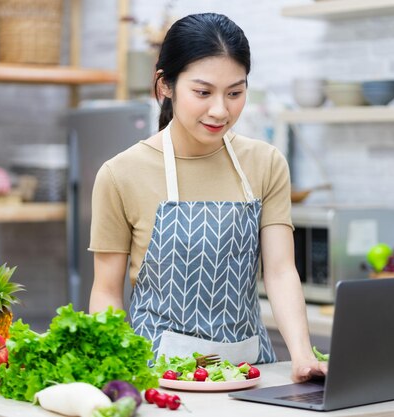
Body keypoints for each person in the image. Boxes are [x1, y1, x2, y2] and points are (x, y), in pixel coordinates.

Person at [89, 12, 326, 383]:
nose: (221, 110)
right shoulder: (121, 174)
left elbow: (280, 271)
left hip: (251, 372)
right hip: (157, 376)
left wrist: (302, 356)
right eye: (203, 92)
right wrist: (116, 372)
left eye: (235, 92)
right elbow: (106, 292)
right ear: (165, 85)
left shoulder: (265, 163)